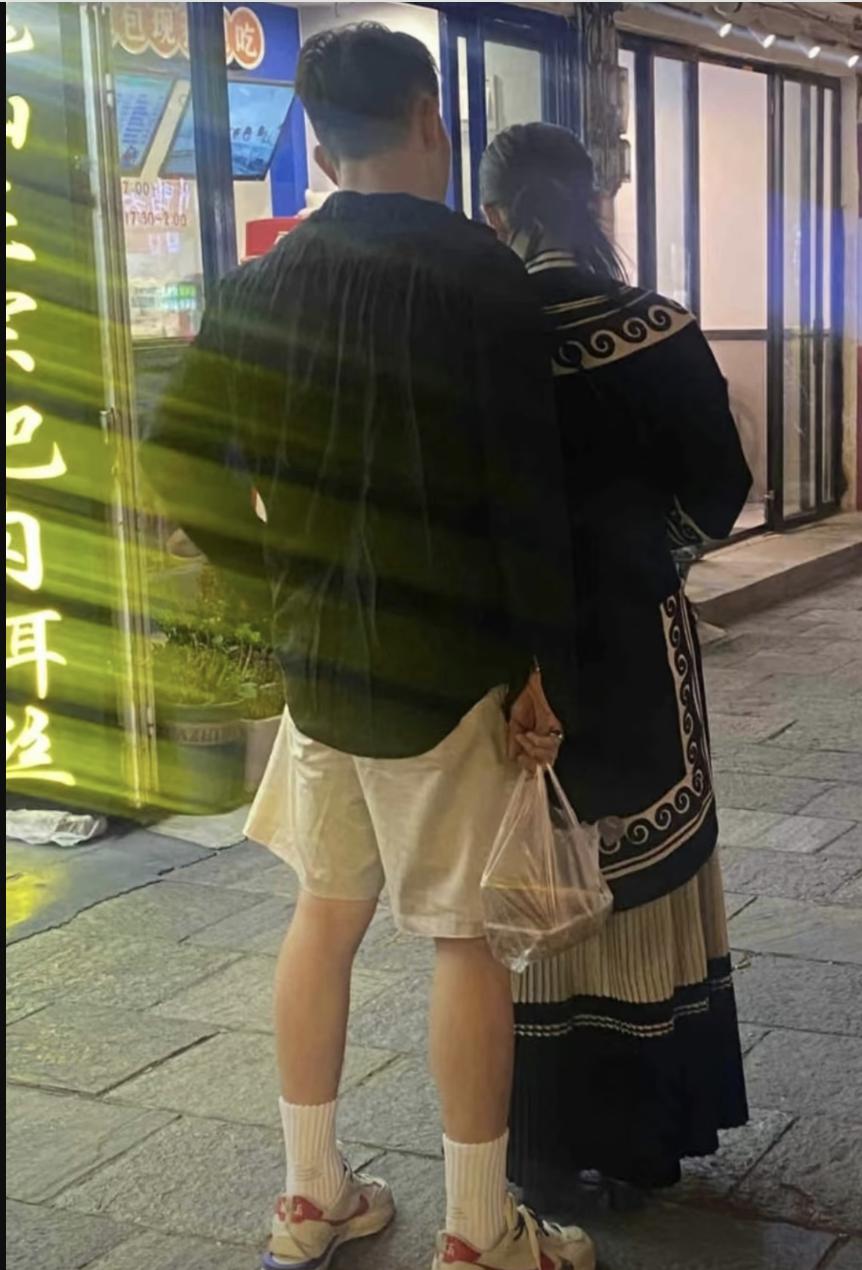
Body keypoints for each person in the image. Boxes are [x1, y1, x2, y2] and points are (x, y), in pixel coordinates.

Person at [144, 26, 594, 1270]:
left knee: (324, 911)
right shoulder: (481, 272)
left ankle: (309, 1198)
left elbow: (176, 448)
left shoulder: (262, 280)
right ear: (426, 115)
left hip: (320, 661)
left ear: (317, 135)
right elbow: (526, 488)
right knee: (464, 938)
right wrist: (543, 664)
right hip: (450, 664)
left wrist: (268, 579)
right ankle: (477, 1229)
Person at [479, 123, 752, 1210]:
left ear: (497, 215)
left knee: (530, 864)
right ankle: (643, 1138)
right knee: (649, 867)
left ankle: (539, 1145)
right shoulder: (657, 326)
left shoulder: (479, 330)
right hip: (638, 640)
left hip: (512, 655)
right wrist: (651, 563)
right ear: (596, 201)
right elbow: (719, 485)